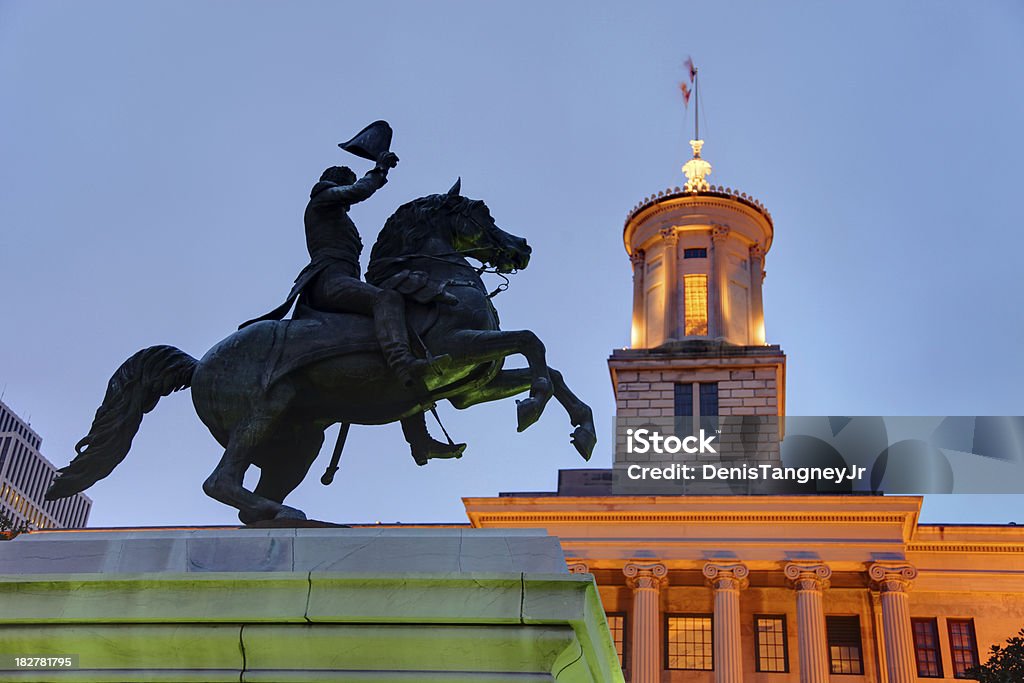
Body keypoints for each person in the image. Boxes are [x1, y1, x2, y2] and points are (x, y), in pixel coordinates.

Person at [241, 150, 434, 389]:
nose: (348, 201)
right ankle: (401, 361)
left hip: (342, 277)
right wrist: (379, 170)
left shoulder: (336, 214)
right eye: (348, 184)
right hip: (329, 279)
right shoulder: (322, 198)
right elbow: (359, 192)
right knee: (387, 298)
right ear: (339, 183)